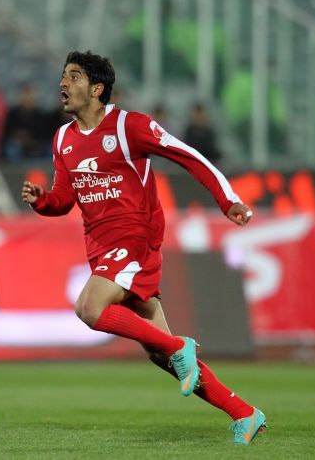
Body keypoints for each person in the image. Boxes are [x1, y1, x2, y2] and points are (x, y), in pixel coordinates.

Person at [22, 51, 266, 445]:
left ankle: (179, 346)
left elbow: (188, 156)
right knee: (159, 355)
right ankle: (244, 413)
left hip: (136, 238)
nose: (63, 83)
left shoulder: (129, 126)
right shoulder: (63, 138)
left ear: (97, 89)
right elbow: (64, 199)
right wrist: (41, 201)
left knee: (89, 307)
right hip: (101, 246)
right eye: (63, 76)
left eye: (74, 76)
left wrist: (228, 199)